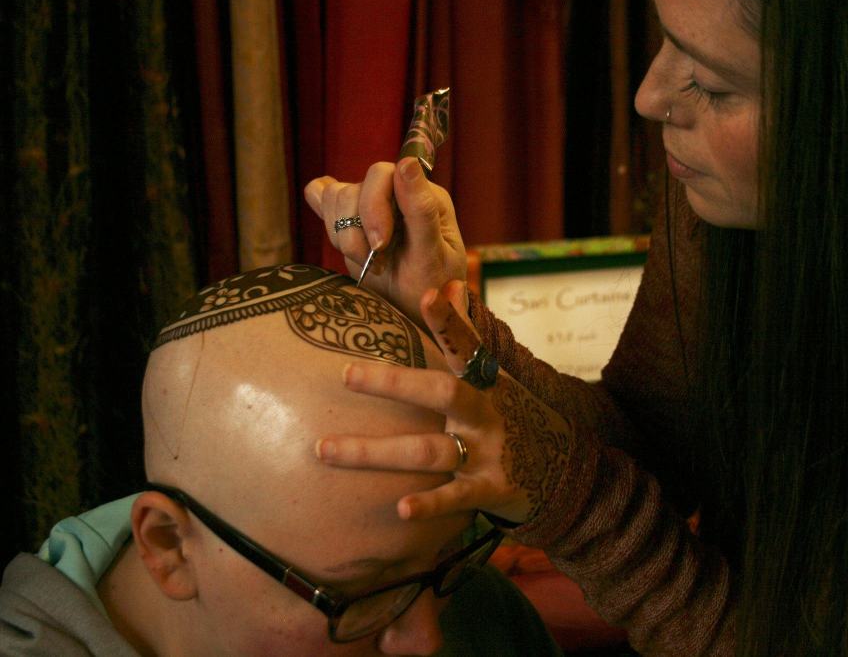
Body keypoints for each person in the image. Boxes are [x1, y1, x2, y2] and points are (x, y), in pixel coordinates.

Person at [303, 0, 848, 654]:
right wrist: (452, 317)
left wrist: (572, 500)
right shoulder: (722, 210)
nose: (649, 96)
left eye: (710, 81)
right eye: (664, 35)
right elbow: (653, 447)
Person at [0, 265, 562, 656]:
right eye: (363, 594)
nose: (427, 641)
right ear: (169, 546)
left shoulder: (471, 607)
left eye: (452, 551)